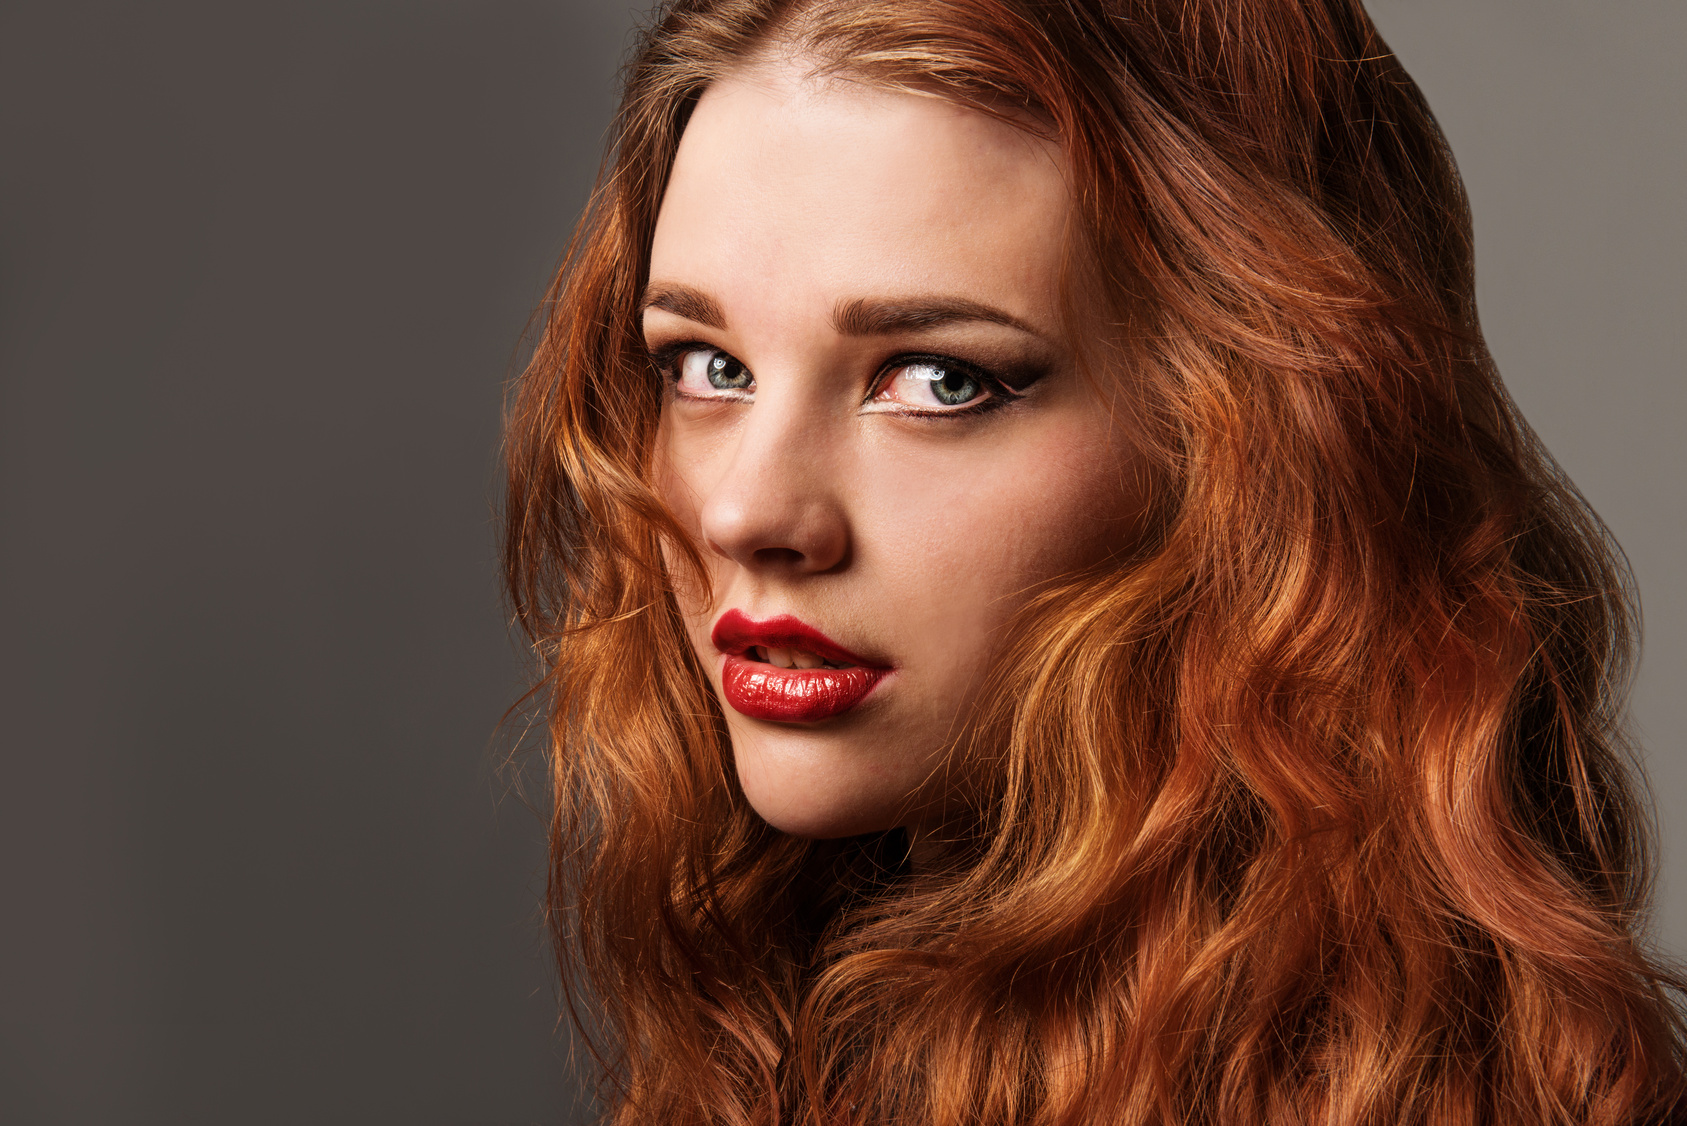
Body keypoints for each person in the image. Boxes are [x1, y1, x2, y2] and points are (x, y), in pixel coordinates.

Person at [502, 1, 1687, 1122]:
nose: (746, 510)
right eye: (706, 367)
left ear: (1251, 448)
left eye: (938, 379)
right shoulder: (786, 1050)